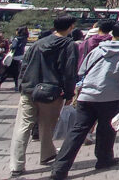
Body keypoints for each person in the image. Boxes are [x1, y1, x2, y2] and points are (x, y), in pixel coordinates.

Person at [50, 21, 119, 180]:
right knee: (107, 130)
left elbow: (82, 70)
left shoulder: (98, 49)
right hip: (111, 97)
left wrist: (79, 88)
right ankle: (104, 159)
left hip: (87, 95)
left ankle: (60, 168)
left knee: (77, 132)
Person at [9, 15, 79, 177]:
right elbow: (69, 71)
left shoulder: (38, 43)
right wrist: (69, 93)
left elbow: (24, 65)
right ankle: (46, 154)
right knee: (47, 125)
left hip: (29, 89)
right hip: (52, 92)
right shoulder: (69, 45)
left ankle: (16, 164)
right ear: (70, 27)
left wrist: (22, 84)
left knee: (23, 126)